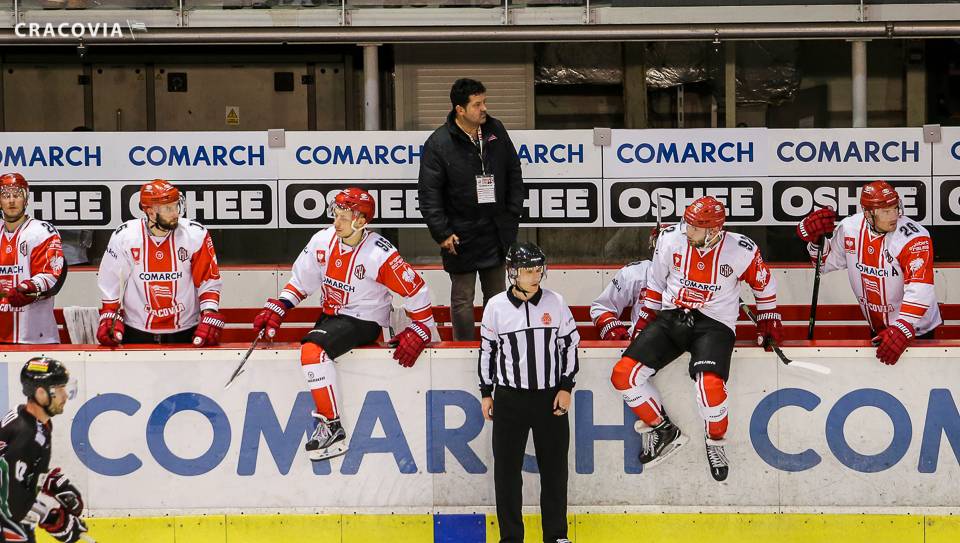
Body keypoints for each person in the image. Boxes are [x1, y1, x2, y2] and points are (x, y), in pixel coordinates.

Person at [253, 187, 435, 461]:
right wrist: (281, 305)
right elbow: (302, 282)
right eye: (335, 215)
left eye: (343, 217)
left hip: (366, 320)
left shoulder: (379, 253)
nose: (336, 222)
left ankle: (331, 426)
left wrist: (421, 326)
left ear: (361, 221)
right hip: (332, 316)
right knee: (314, 348)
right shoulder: (322, 241)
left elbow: (416, 290)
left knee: (312, 351)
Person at [610, 196, 782, 482]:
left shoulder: (740, 250)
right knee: (623, 374)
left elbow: (764, 285)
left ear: (713, 231)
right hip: (673, 316)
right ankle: (662, 428)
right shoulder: (670, 239)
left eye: (694, 228)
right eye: (686, 224)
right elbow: (655, 283)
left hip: (715, 324)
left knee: (710, 387)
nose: (686, 231)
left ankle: (715, 442)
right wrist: (643, 322)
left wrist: (768, 318)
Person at [479, 242, 578, 543]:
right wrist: (486, 392)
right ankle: (511, 537)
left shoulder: (556, 302)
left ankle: (556, 536)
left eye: (538, 269)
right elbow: (487, 351)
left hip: (550, 399)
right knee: (507, 474)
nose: (535, 276)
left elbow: (570, 345)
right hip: (510, 399)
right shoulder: (495, 307)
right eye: (527, 271)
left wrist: (566, 386)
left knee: (555, 471)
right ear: (512, 273)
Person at [418, 78, 526, 341]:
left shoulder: (496, 130)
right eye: (477, 104)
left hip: (496, 230)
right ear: (460, 109)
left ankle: (496, 345)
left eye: (484, 102)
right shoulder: (439, 143)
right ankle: (463, 349)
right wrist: (442, 233)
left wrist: (511, 214)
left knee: (497, 297)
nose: (484, 108)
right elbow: (429, 194)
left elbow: (514, 171)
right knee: (463, 299)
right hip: (460, 235)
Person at [796, 180, 941, 364]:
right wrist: (817, 242)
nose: (894, 215)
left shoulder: (914, 237)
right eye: (886, 211)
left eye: (895, 208)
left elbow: (920, 288)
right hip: (880, 330)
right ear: (868, 213)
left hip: (916, 330)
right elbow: (823, 264)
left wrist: (903, 326)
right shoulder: (850, 229)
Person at [96, 179, 224, 346]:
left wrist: (209, 313)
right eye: (168, 209)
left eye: (176, 206)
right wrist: (110, 314)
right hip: (136, 331)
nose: (175, 213)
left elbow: (208, 280)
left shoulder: (195, 234)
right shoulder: (125, 236)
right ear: (150, 212)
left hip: (186, 331)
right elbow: (111, 280)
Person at [0, 357, 88, 543]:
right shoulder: (27, 435)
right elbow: (12, 505)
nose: (65, 396)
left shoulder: (30, 418)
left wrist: (47, 479)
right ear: (41, 393)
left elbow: (10, 466)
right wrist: (52, 517)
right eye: (59, 390)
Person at [0, 172, 66, 344]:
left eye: (17, 195)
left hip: (36, 336)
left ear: (26, 199)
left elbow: (51, 274)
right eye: (6, 196)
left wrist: (26, 288)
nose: (11, 201)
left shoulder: (43, 231)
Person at [590, 225, 667, 341]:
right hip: (640, 345)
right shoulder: (634, 274)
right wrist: (615, 331)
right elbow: (601, 308)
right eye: (661, 245)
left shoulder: (697, 276)